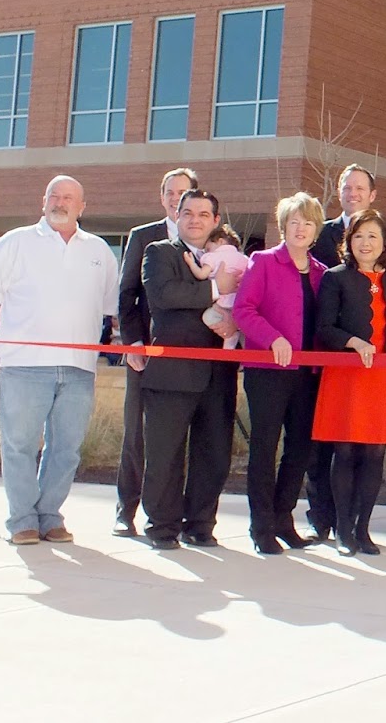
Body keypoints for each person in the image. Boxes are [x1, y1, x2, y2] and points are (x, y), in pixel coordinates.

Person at [0, 176, 120, 545]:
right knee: (19, 445)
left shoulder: (99, 250)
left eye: (69, 197)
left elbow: (109, 307)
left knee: (66, 449)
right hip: (23, 365)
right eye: (54, 195)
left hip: (78, 368)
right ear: (43, 201)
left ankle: (50, 517)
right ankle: (22, 520)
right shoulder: (14, 242)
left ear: (82, 207)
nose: (60, 202)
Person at [307, 163, 386, 541]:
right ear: (348, 241)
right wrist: (353, 341)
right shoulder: (335, 279)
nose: (366, 243)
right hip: (345, 376)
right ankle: (343, 529)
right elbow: (324, 329)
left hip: (381, 378)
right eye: (359, 236)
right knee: (345, 454)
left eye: (373, 237)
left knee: (374, 456)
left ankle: (363, 530)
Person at [139, 189, 242, 550]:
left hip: (218, 372)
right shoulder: (160, 253)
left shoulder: (229, 258)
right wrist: (216, 288)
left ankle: (200, 524)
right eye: (188, 213)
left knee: (212, 454)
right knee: (165, 455)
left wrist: (235, 322)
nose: (195, 220)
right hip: (172, 375)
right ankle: (162, 527)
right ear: (177, 217)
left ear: (216, 221)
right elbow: (165, 296)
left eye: (203, 214)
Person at [233, 193, 328, 555]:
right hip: (268, 371)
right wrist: (273, 338)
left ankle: (282, 518)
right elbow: (244, 309)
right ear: (284, 226)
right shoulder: (264, 262)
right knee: (264, 447)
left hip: (309, 372)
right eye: (293, 221)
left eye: (307, 222)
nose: (300, 228)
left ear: (316, 229)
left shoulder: (321, 273)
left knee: (301, 449)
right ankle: (261, 527)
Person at [113, 167, 200, 538]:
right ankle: (125, 510)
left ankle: (171, 513)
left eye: (183, 192)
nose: (175, 197)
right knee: (137, 434)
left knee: (175, 440)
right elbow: (126, 294)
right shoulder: (143, 236)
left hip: (191, 357)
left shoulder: (206, 237)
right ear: (162, 197)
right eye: (169, 192)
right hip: (145, 353)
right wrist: (132, 342)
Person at [195, 223, 251, 349]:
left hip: (222, 303)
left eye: (208, 248)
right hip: (242, 303)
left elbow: (202, 274)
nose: (207, 252)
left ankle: (230, 337)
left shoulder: (212, 257)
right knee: (247, 335)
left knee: (208, 317)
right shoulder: (245, 259)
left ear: (220, 241)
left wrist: (191, 262)